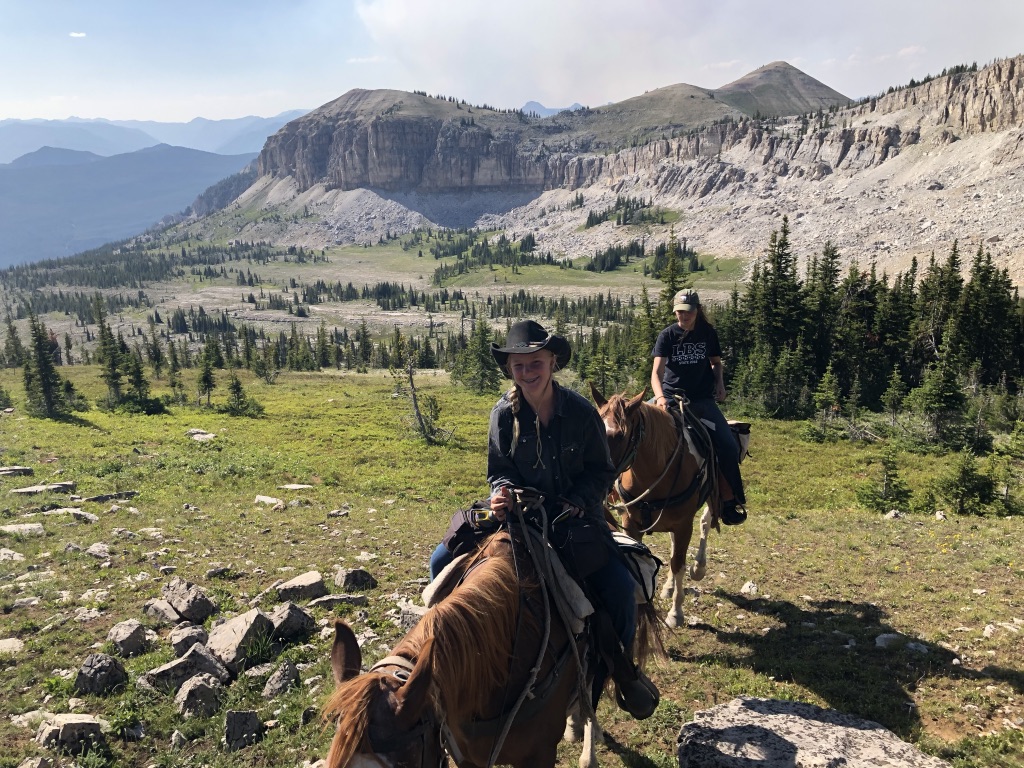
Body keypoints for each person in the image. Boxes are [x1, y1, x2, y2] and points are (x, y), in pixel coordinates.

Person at [429, 319, 658, 719]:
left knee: (621, 589)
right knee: (438, 560)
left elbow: (601, 471)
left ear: (552, 362)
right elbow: (498, 469)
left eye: (535, 362)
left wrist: (577, 500)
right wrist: (500, 493)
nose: (527, 371)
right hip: (517, 516)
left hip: (572, 519)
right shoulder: (502, 414)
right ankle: (442, 655)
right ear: (509, 369)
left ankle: (617, 673)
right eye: (518, 365)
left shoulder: (582, 413)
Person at [651, 289, 747, 525]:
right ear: (675, 311)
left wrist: (720, 383)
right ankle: (615, 492)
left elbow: (716, 363)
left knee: (726, 444)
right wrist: (660, 397)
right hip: (671, 398)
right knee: (633, 428)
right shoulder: (667, 336)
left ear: (697, 311)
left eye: (689, 312)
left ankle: (728, 501)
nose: (684, 316)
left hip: (702, 400)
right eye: (680, 312)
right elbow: (656, 372)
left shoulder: (708, 334)